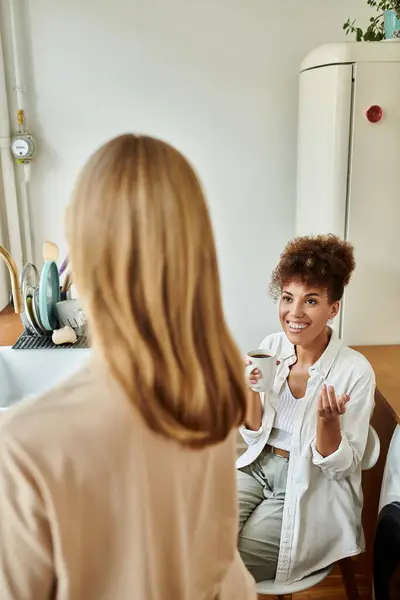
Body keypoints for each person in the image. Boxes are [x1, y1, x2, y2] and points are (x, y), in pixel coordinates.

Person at [0, 135, 256, 600]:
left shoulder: (23, 448)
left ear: (84, 254)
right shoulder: (213, 397)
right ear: (196, 252)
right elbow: (222, 569)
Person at [237, 234, 376, 585]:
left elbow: (342, 467)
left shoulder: (355, 371)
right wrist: (249, 391)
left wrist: (327, 423)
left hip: (309, 482)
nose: (294, 313)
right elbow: (253, 432)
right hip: (258, 465)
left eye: (310, 300)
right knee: (195, 538)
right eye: (287, 298)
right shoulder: (271, 347)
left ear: (333, 308)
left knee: (230, 567)